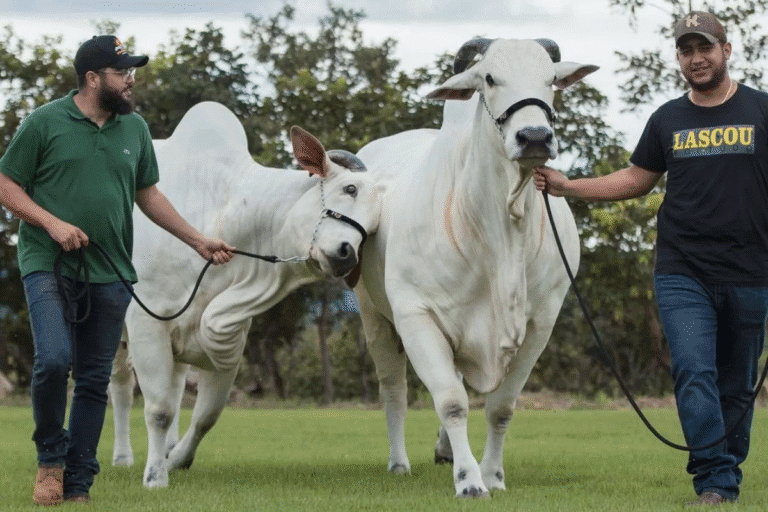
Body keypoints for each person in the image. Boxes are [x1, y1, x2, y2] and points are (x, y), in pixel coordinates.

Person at [534, 11, 768, 507]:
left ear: (727, 50)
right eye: (686, 50)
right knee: (693, 370)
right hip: (682, 271)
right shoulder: (667, 119)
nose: (696, 58)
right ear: (679, 58)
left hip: (752, 272)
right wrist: (567, 185)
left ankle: (726, 463)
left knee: (737, 385)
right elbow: (637, 179)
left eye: (704, 47)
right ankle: (714, 481)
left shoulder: (761, 111)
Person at [0, 35, 235, 506]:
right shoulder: (46, 123)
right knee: (53, 362)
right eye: (122, 71)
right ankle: (51, 459)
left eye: (132, 71)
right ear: (93, 78)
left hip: (110, 271)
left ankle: (78, 486)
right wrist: (51, 222)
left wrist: (197, 239)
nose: (131, 79)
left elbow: (148, 195)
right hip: (47, 261)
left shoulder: (135, 130)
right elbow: (6, 183)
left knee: (93, 379)